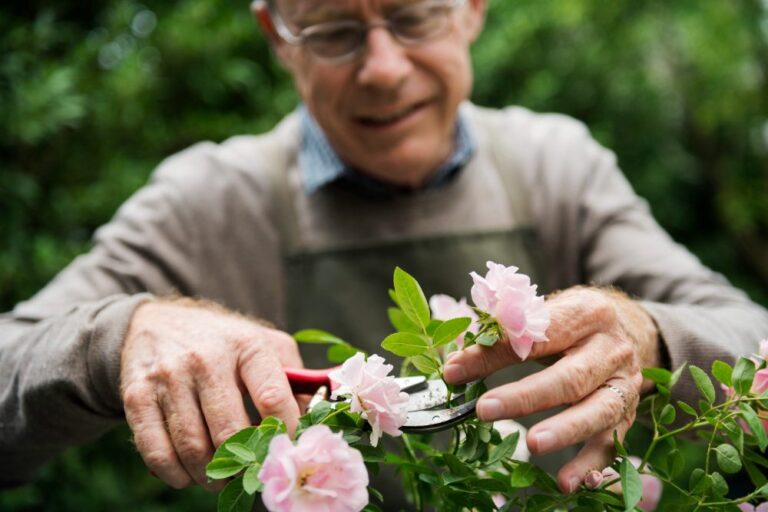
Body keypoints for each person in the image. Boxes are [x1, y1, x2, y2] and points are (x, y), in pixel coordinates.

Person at [1, 0, 767, 505]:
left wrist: (651, 336)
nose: (384, 69)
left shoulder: (557, 169)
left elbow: (750, 335)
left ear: (471, 9)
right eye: (333, 31)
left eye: (412, 16)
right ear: (278, 36)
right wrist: (114, 340)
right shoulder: (205, 203)